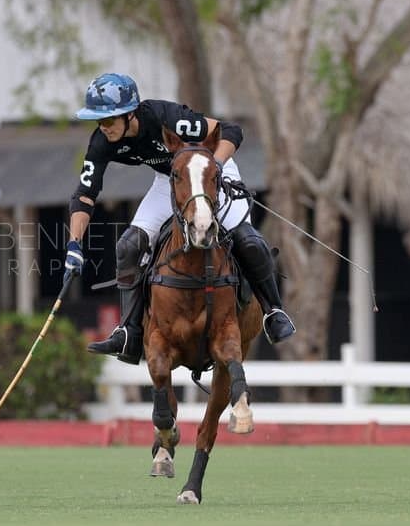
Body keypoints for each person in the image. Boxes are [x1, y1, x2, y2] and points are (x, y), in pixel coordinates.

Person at [64, 72, 295, 365]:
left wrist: (216, 166)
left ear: (130, 114)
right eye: (99, 121)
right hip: (171, 181)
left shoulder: (166, 118)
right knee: (129, 245)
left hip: (211, 171)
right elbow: (85, 194)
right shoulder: (102, 142)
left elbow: (230, 131)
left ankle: (274, 312)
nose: (103, 127)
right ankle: (130, 332)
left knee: (247, 239)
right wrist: (74, 244)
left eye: (109, 120)